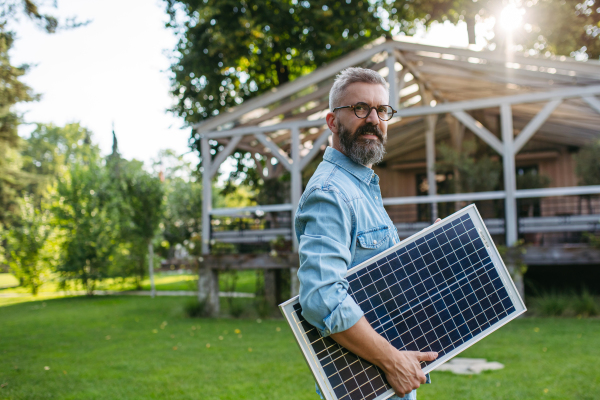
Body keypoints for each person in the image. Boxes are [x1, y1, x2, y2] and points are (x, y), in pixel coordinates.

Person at [295, 67, 438, 399]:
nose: (373, 118)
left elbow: (377, 279)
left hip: (383, 381)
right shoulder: (330, 193)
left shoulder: (361, 186)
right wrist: (393, 362)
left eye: (382, 110)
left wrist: (428, 250)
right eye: (360, 108)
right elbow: (322, 298)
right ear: (332, 122)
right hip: (362, 386)